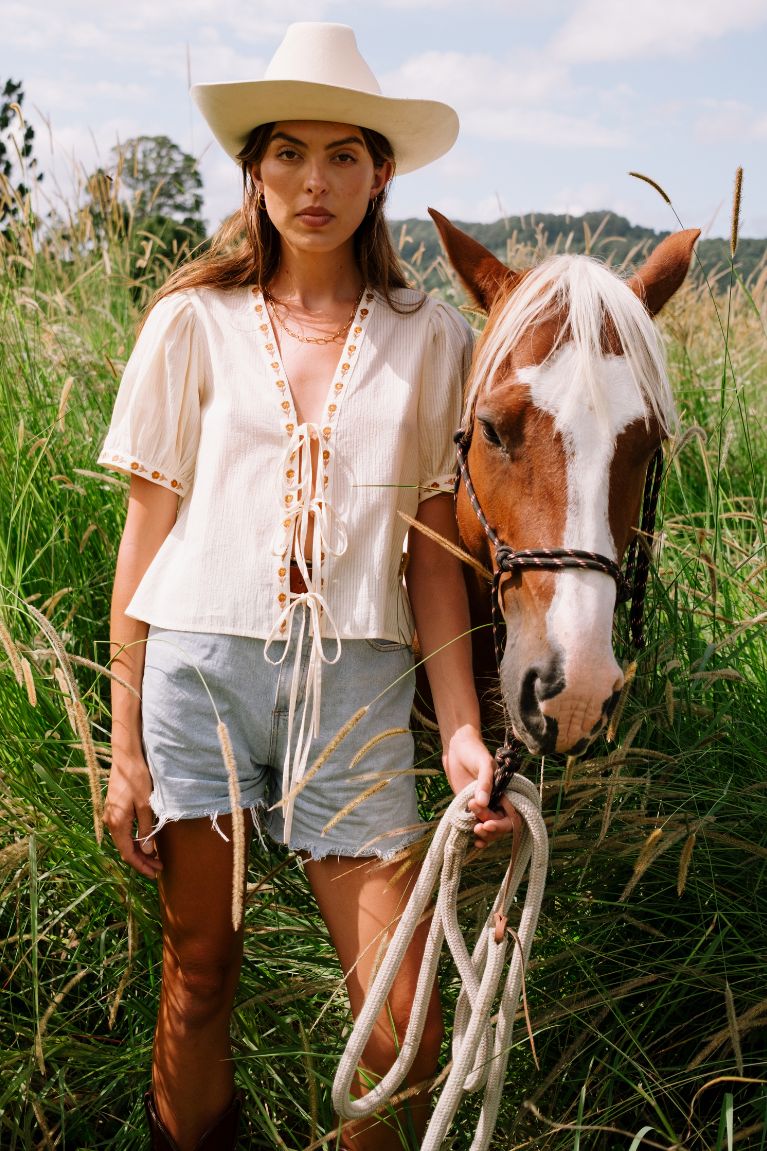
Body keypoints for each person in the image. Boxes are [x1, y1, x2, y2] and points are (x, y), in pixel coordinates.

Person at [100, 22, 516, 1151]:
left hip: (358, 686)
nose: (312, 181)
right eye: (287, 152)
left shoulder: (428, 337)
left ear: (381, 172)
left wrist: (462, 735)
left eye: (342, 155)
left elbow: (434, 553)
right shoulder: (189, 321)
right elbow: (146, 537)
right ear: (254, 168)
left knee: (399, 1028)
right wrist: (124, 740)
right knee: (198, 971)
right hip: (199, 669)